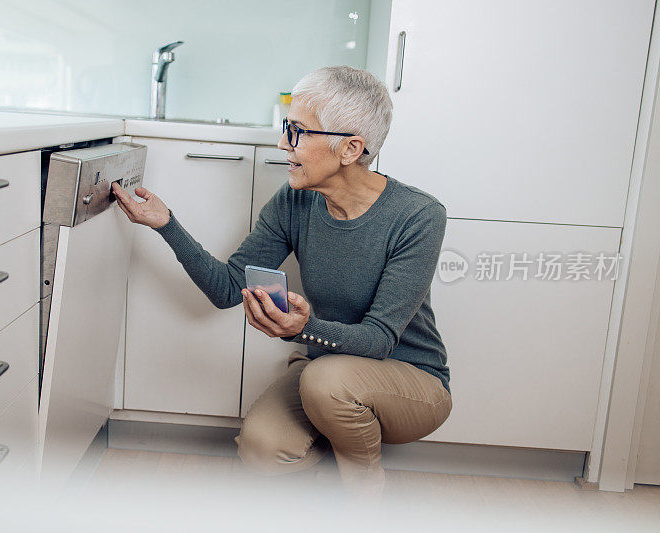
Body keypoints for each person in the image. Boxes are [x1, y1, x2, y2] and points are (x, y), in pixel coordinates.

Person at [111, 65, 451, 501]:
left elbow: (380, 340)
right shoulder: (295, 200)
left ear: (350, 148)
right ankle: (338, 430)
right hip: (330, 370)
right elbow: (226, 288)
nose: (281, 143)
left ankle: (364, 486)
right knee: (261, 451)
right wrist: (166, 224)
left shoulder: (418, 215)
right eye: (286, 127)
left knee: (325, 382)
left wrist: (303, 331)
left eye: (297, 132)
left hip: (413, 382)